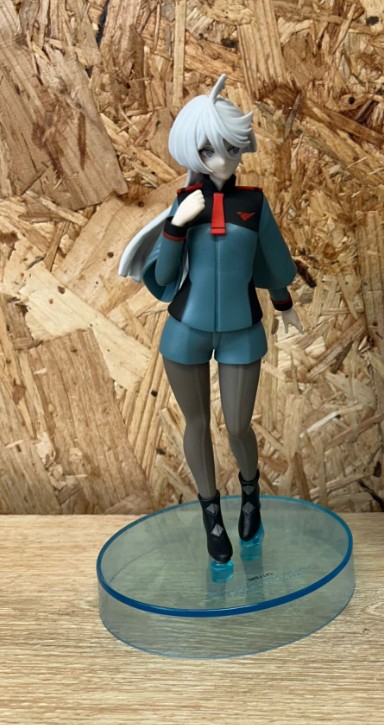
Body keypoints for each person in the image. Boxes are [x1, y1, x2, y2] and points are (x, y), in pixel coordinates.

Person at [119, 75, 302, 571]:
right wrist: (177, 225)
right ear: (192, 152)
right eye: (208, 149)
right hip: (187, 328)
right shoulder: (183, 204)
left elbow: (271, 262)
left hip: (242, 327)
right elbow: (162, 279)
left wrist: (285, 306)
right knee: (197, 423)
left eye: (231, 148)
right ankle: (211, 515)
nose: (222, 159)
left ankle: (250, 494)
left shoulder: (253, 204)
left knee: (238, 424)